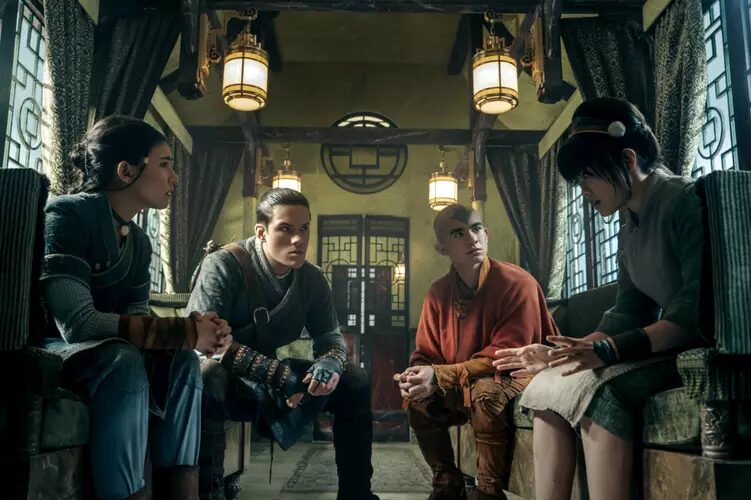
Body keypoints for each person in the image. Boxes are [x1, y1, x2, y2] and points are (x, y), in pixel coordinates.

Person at [493, 97, 705, 500]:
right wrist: (558, 356)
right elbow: (629, 311)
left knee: (604, 394)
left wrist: (608, 351)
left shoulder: (685, 200)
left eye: (589, 175)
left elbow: (693, 315)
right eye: (579, 180)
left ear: (627, 159)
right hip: (660, 346)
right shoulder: (629, 226)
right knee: (547, 387)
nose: (584, 190)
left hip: (697, 349)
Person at [41, 116, 232, 499]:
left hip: (105, 350)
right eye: (164, 164)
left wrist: (194, 332)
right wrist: (185, 331)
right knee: (123, 361)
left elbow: (138, 320)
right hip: (56, 351)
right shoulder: (67, 215)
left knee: (182, 362)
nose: (174, 178)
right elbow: (78, 325)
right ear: (126, 170)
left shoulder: (140, 243)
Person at [188, 188, 378, 500]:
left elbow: (330, 338)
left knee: (354, 381)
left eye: (304, 229)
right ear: (261, 232)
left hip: (271, 374)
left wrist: (329, 364)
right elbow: (209, 344)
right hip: (226, 377)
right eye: (285, 229)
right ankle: (209, 493)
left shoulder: (312, 279)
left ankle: (356, 494)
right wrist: (279, 376)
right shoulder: (222, 265)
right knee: (207, 374)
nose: (298, 239)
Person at [395, 204, 558, 500]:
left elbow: (506, 356)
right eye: (458, 233)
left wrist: (439, 374)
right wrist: (415, 376)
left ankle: (488, 490)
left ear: (487, 234)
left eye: (476, 228)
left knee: (485, 394)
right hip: (462, 380)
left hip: (514, 373)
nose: (472, 238)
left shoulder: (518, 283)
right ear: (442, 248)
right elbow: (424, 353)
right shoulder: (438, 293)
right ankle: (446, 482)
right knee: (417, 400)